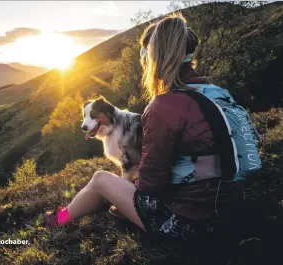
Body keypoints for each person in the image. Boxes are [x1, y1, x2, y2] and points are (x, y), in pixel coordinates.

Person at [43, 14, 244, 239]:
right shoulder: (216, 92)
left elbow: (151, 184)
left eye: (143, 54)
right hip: (231, 205)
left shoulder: (164, 106)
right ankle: (66, 214)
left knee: (100, 179)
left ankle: (59, 219)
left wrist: (128, 187)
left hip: (190, 223)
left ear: (154, 57)